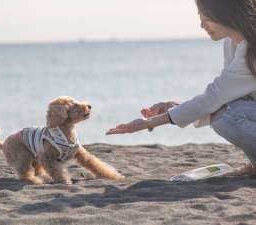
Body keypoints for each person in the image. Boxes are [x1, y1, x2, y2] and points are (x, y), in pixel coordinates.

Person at [106, 0, 256, 175]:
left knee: (228, 118)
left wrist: (151, 122)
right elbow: (223, 96)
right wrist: (175, 108)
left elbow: (214, 97)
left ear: (225, 13)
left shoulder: (250, 49)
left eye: (205, 17)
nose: (201, 25)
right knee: (228, 111)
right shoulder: (232, 43)